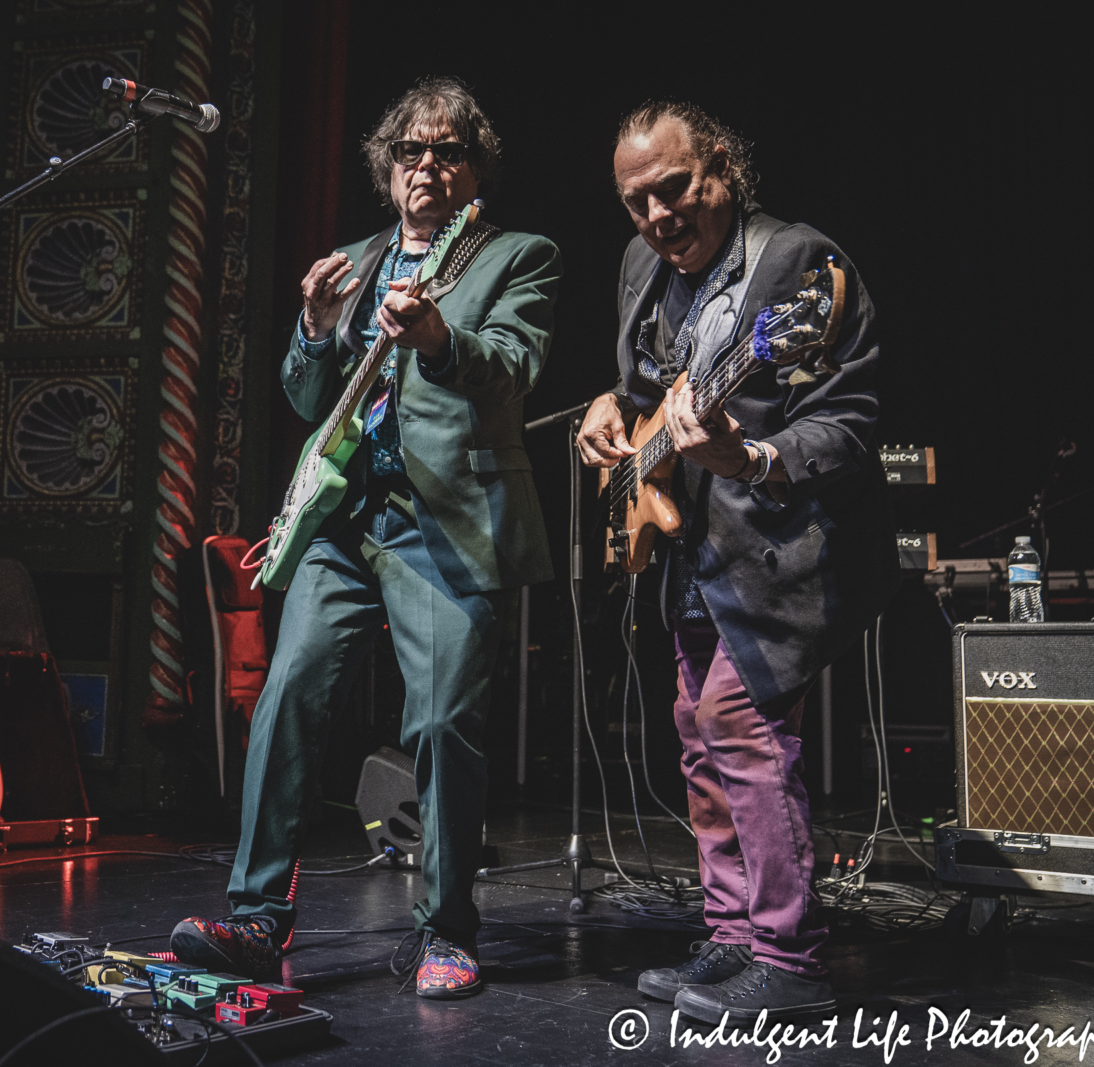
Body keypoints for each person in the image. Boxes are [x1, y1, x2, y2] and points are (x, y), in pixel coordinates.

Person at [171, 77, 560, 1000]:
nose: (428, 165)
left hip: (446, 520)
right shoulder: (351, 259)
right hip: (347, 520)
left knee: (440, 725)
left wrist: (435, 337)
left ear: (476, 171)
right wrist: (312, 325)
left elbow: (514, 366)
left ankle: (447, 928)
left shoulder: (515, 256)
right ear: (389, 170)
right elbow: (308, 401)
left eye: (448, 151)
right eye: (411, 152)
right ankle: (259, 921)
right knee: (289, 694)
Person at [577, 101, 897, 1022]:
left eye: (672, 190)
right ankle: (733, 934)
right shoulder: (643, 263)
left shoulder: (799, 264)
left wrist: (749, 457)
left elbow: (850, 422)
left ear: (722, 165)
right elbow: (647, 387)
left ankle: (790, 954)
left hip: (787, 547)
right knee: (695, 726)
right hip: (693, 552)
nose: (656, 217)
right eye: (636, 202)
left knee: (736, 721)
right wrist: (610, 404)